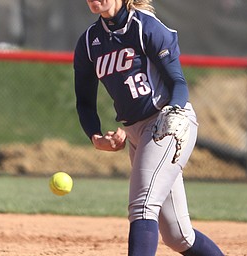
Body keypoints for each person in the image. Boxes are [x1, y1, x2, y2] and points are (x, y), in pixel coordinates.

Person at [74, 0, 225, 255]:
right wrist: (96, 136)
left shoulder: (146, 28)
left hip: (165, 124)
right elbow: (85, 103)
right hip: (136, 133)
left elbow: (178, 83)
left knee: (142, 206)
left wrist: (174, 111)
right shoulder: (89, 42)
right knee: (178, 236)